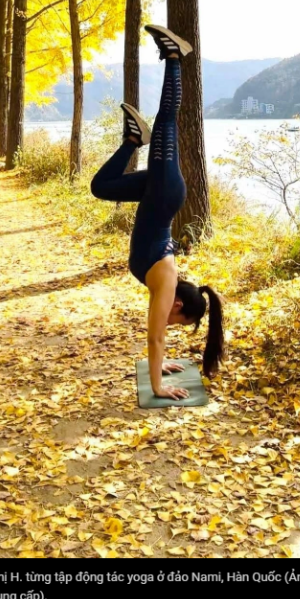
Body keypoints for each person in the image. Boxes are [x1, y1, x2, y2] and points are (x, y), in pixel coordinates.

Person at [91, 26, 225, 402]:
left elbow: (157, 338)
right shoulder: (165, 282)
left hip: (158, 194)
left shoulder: (165, 281)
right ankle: (175, 56)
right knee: (169, 120)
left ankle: (134, 140)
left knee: (101, 187)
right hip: (165, 192)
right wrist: (157, 386)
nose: (169, 320)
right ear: (178, 306)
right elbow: (155, 335)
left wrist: (160, 364)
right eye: (178, 320)